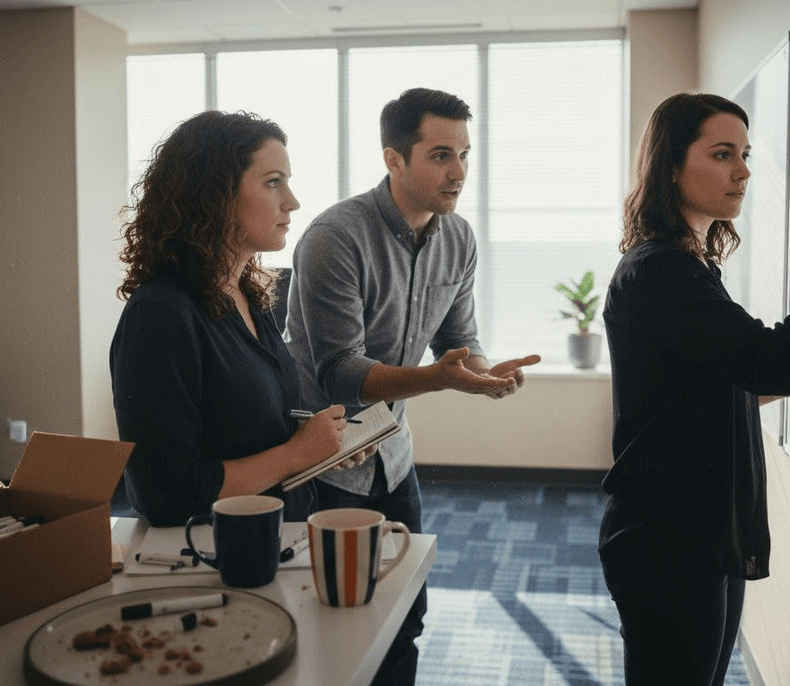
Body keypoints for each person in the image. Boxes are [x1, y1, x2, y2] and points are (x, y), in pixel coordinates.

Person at [598, 92, 790, 685]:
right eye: (722, 154)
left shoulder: (690, 265)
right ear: (670, 164)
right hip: (668, 540)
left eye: (744, 154)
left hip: (702, 532)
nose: (742, 170)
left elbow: (716, 382)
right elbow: (776, 363)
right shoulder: (660, 271)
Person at [285, 87, 541, 685]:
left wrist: (482, 370)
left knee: (406, 612)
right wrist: (442, 379)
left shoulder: (459, 238)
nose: (459, 173)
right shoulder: (334, 237)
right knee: (334, 623)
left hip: (393, 457)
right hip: (324, 460)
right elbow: (340, 373)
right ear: (393, 159)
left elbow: (459, 336)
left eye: (465, 155)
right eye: (441, 155)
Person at [111, 111, 366, 527]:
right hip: (211, 557)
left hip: (276, 536)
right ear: (215, 195)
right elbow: (164, 491)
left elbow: (257, 428)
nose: (292, 202)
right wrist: (296, 454)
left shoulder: (248, 295)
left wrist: (322, 442)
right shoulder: (160, 314)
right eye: (272, 183)